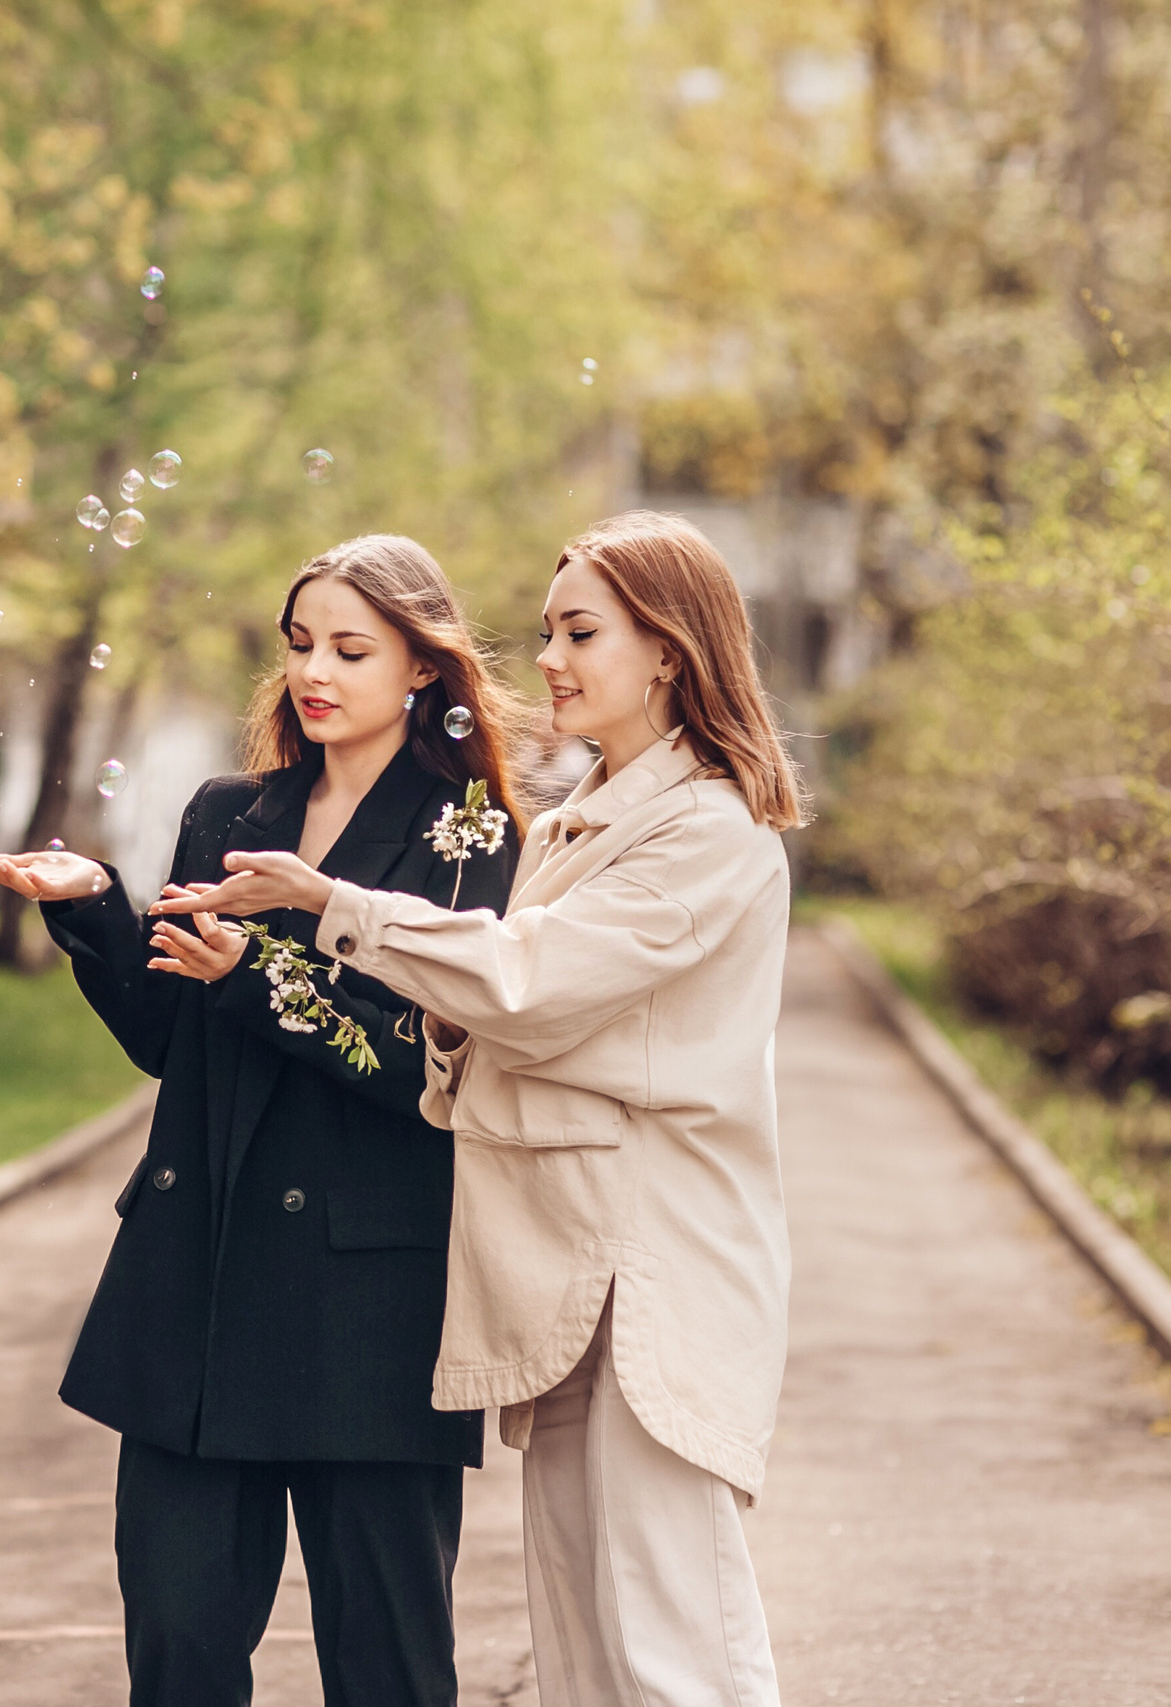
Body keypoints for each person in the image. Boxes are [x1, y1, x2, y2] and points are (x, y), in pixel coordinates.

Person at [154, 511, 803, 1707]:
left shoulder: (706, 834)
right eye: (550, 630)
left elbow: (529, 983)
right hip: (572, 1284)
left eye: (579, 631)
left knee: (675, 1656)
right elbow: (491, 1030)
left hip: (652, 1281)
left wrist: (331, 905)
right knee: (586, 1659)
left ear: (667, 651)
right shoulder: (576, 825)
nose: (547, 657)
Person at [0, 535, 526, 1707]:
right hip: (197, 1287)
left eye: (349, 648)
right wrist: (93, 913)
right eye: (298, 646)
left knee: (387, 1670)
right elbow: (172, 1042)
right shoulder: (231, 809)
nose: (313, 672)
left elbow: (425, 1072)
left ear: (423, 669)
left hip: (369, 1312)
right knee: (175, 1650)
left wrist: (256, 983)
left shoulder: (470, 837)